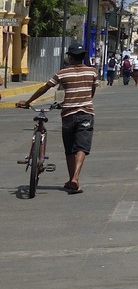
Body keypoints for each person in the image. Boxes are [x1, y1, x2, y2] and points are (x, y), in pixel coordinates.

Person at [15, 41, 97, 193]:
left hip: (68, 115)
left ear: (71, 57)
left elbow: (45, 88)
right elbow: (92, 92)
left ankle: (71, 178)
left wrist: (28, 102)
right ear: (83, 57)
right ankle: (75, 178)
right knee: (82, 147)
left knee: (69, 148)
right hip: (86, 113)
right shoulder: (92, 72)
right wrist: (84, 99)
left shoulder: (62, 73)